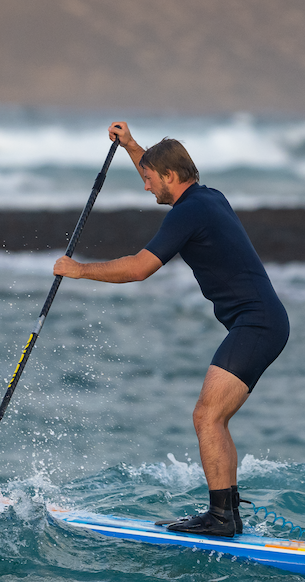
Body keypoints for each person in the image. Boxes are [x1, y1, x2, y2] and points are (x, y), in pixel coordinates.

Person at [53, 122, 289, 537]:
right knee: (215, 418)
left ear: (171, 177)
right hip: (263, 322)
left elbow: (140, 268)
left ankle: (220, 519)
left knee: (206, 416)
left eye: (150, 180)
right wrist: (131, 146)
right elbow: (156, 169)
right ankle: (227, 513)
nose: (147, 189)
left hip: (257, 324)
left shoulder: (189, 212)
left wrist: (79, 270)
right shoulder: (208, 198)